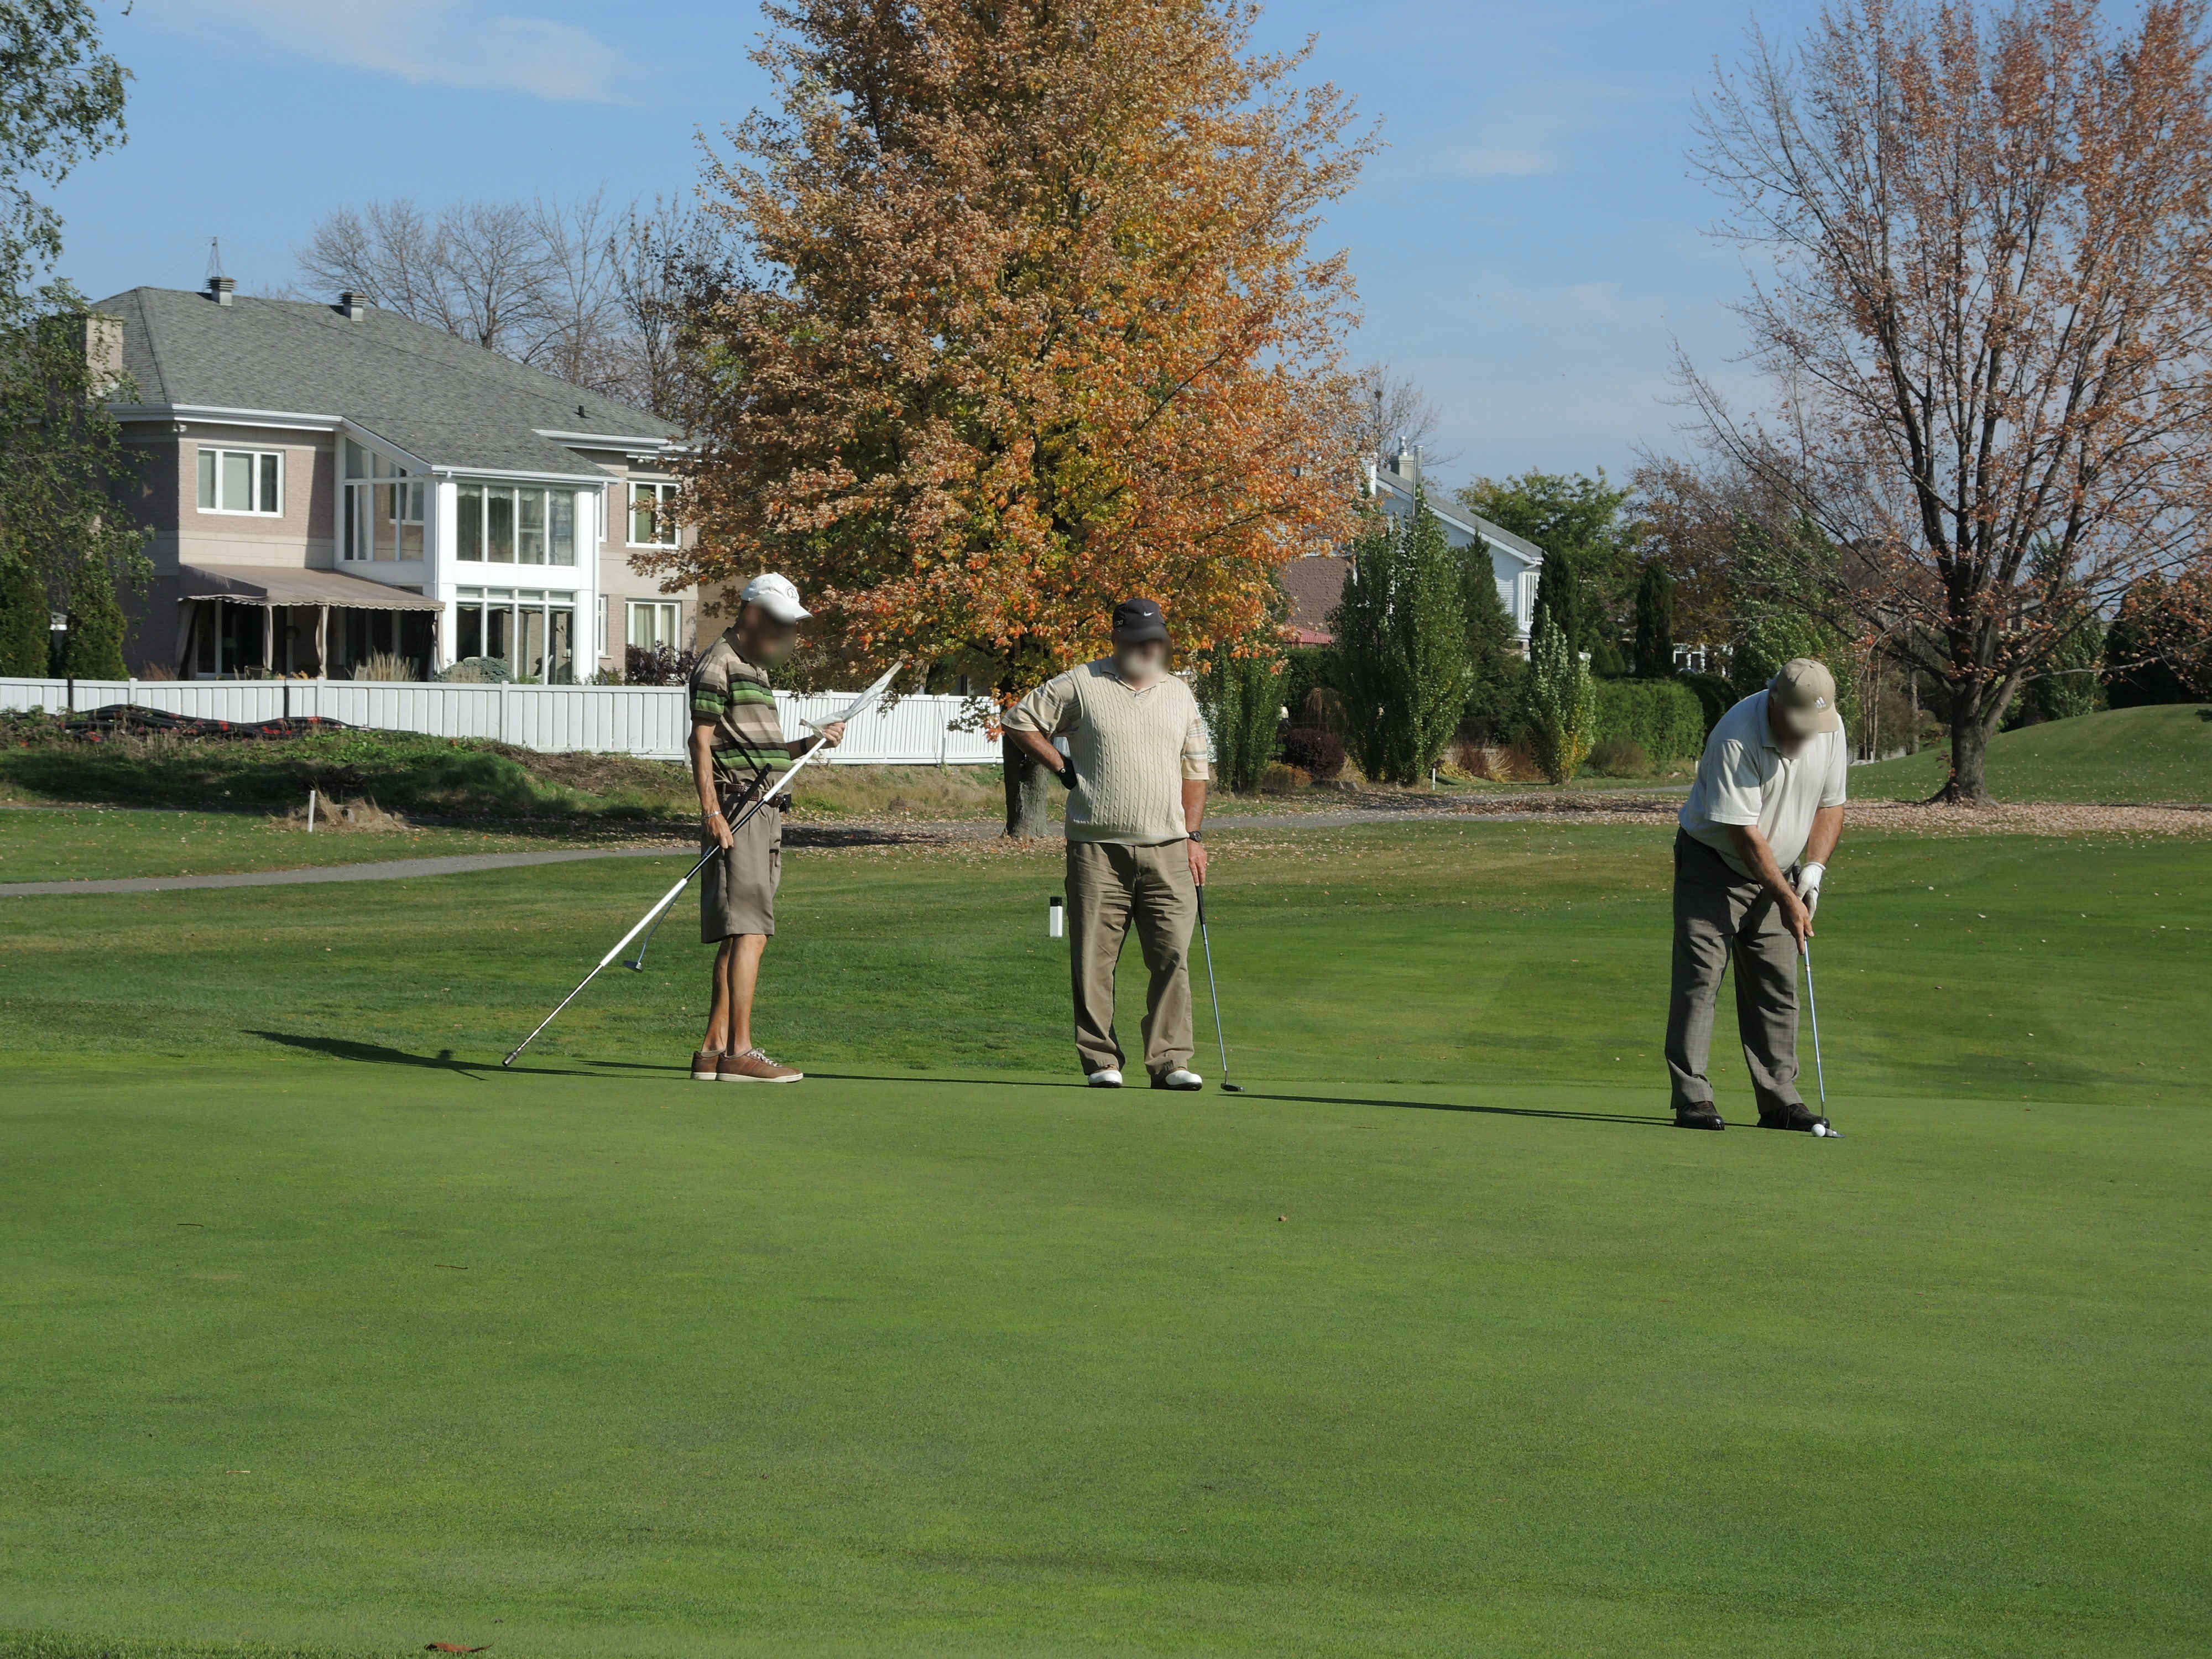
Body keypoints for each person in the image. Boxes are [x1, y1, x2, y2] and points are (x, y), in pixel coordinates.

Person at [1004, 597, 1213, 1089]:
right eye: (1140, 641)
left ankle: (1170, 1061)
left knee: (1172, 957)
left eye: (1157, 640)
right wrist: (1061, 766)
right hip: (1096, 848)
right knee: (1093, 958)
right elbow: (1019, 719)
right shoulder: (1081, 683)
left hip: (1169, 846)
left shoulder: (1180, 693)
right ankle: (1101, 1060)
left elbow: (1196, 770)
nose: (1150, 648)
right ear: (1117, 640)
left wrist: (1195, 835)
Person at [1667, 657, 1846, 1131]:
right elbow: (1745, 836)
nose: (1809, 733)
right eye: (1799, 723)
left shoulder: (1829, 727)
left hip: (1781, 870)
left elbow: (1832, 804)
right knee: (1700, 980)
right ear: (1775, 703)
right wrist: (1788, 899)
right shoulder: (1736, 736)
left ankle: (1779, 1100)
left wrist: (1813, 870)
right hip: (1713, 865)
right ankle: (1693, 1097)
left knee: (1777, 983)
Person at [686, 573, 843, 1084]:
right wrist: (711, 813)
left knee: (740, 935)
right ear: (751, 613)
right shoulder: (719, 663)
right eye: (778, 621)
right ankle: (740, 1052)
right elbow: (701, 743)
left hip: (764, 805)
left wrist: (812, 742)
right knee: (750, 931)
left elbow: (764, 754)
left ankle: (713, 1050)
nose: (784, 633)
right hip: (739, 810)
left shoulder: (753, 667)